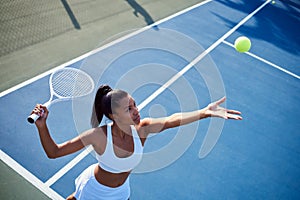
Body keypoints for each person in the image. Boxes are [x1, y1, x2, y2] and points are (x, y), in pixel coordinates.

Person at [31, 84, 242, 200]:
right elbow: (54, 152)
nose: (136, 111)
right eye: (128, 109)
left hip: (122, 192)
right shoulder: (98, 136)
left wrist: (204, 113)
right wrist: (42, 126)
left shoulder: (143, 129)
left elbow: (172, 119)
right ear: (113, 116)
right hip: (95, 191)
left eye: (135, 105)